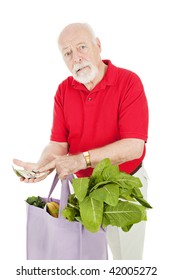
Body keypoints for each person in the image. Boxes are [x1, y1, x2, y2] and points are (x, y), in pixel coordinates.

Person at [13, 22, 149, 260]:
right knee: (87, 259)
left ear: (98, 46)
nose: (76, 58)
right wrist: (42, 165)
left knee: (126, 263)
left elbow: (134, 146)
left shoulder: (129, 82)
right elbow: (58, 145)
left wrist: (82, 160)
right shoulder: (64, 91)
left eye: (82, 47)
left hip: (124, 185)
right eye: (67, 53)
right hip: (84, 191)